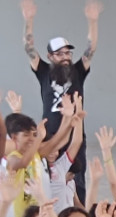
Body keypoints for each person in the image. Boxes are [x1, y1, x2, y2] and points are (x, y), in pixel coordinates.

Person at [21, 0, 100, 205]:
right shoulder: (43, 71)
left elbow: (91, 48)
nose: (65, 57)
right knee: (47, 178)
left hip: (73, 135)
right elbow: (28, 46)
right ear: (50, 56)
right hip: (49, 137)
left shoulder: (78, 72)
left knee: (76, 177)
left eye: (68, 53)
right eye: (60, 54)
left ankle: (77, 214)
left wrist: (93, 21)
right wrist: (28, 20)